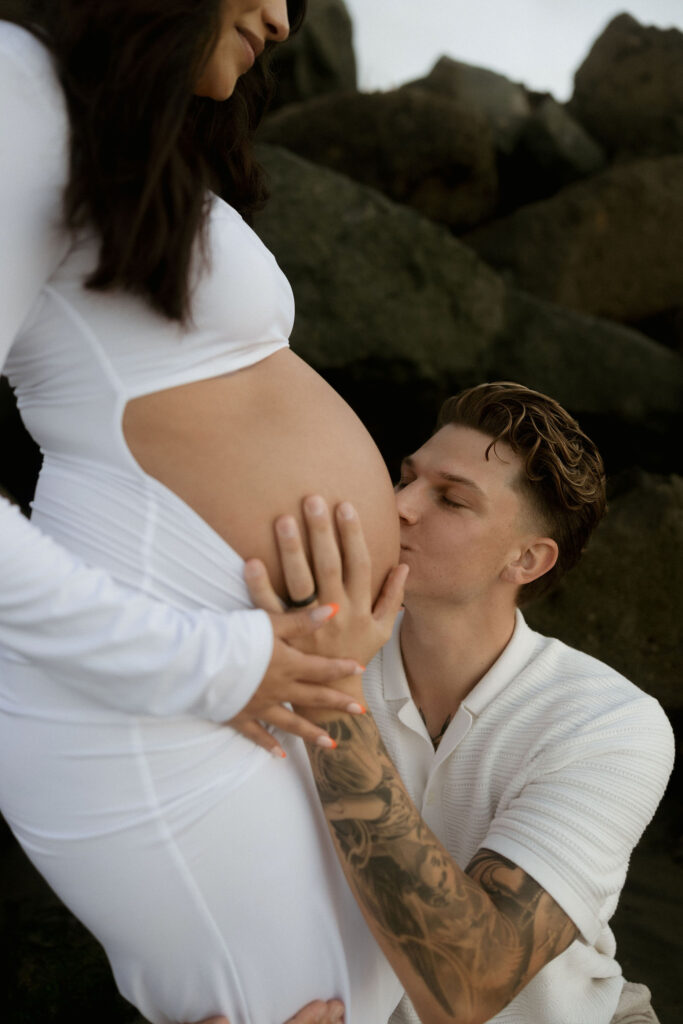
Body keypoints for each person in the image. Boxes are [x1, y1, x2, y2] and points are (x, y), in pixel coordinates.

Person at [0, 2, 408, 1021]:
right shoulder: (17, 89)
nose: (280, 15)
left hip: (253, 687)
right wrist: (215, 662)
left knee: (355, 995)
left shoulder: (88, 118)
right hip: (160, 692)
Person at [246, 382, 675, 1024]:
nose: (399, 505)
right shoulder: (301, 645)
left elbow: (471, 984)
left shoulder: (610, 722)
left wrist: (329, 695)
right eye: (405, 477)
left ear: (526, 559)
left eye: (450, 499)